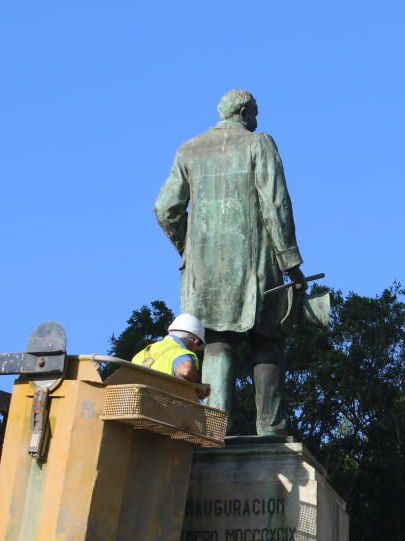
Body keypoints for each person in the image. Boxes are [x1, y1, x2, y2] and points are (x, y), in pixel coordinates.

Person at [154, 89, 306, 437]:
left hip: (203, 277)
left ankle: (213, 430)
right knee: (268, 342)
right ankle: (271, 432)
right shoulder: (259, 144)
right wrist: (291, 264)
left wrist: (189, 249)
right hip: (258, 269)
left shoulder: (189, 150)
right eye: (254, 113)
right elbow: (276, 205)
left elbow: (165, 210)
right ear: (243, 111)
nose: (256, 121)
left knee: (216, 346)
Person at [131, 314, 205, 384]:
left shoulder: (140, 354)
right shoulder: (179, 352)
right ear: (195, 342)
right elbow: (186, 371)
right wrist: (199, 386)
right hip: (161, 397)